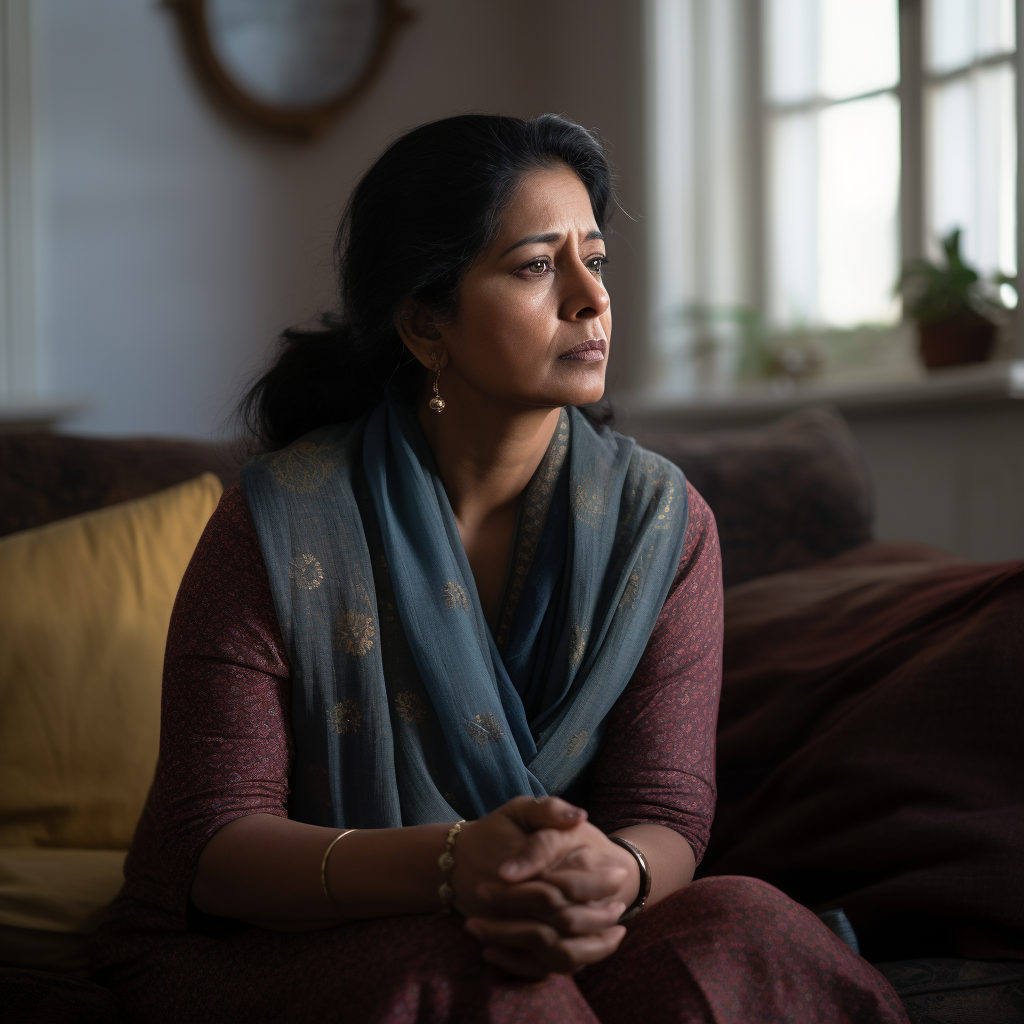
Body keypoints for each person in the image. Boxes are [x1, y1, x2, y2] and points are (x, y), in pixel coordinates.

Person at [92, 114, 908, 1023]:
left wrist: (616, 876)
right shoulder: (280, 522)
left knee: (747, 925)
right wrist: (453, 866)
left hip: (570, 926)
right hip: (302, 937)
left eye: (594, 260)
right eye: (534, 266)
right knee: (477, 977)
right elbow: (213, 844)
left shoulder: (661, 527)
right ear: (424, 322)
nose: (590, 299)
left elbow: (664, 812)